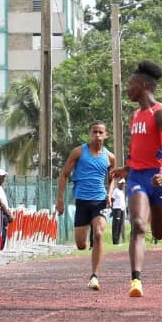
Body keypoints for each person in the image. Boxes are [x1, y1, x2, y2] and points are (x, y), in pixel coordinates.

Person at [109, 60, 162, 298]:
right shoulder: (135, 116)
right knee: (138, 225)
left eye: (131, 85)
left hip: (159, 178)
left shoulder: (161, 114)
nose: (128, 89)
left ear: (143, 85)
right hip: (138, 177)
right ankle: (136, 280)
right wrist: (125, 170)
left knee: (159, 233)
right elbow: (138, 150)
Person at [56, 121, 116, 290]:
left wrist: (110, 194)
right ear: (90, 134)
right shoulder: (78, 152)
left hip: (100, 201)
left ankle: (94, 276)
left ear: (106, 135)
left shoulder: (109, 157)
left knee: (98, 234)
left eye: (100, 132)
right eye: (94, 132)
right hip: (82, 201)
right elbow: (64, 174)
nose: (97, 135)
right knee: (81, 245)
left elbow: (113, 178)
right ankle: (90, 230)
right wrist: (60, 199)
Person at [110, 179, 127, 245]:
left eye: (123, 183)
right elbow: (112, 200)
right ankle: (115, 241)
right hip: (117, 209)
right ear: (119, 184)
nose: (123, 185)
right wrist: (112, 209)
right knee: (116, 225)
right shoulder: (116, 191)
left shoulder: (122, 192)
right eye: (121, 183)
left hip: (122, 210)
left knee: (120, 225)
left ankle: (118, 240)